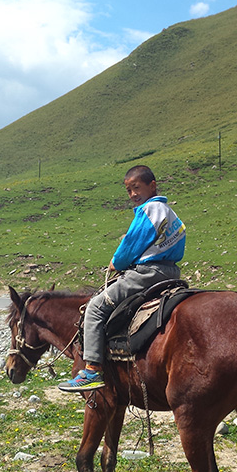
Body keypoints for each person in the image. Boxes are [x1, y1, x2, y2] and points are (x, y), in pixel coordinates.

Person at [58, 165, 186, 392]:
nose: (133, 194)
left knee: (96, 307)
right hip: (171, 272)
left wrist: (116, 263)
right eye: (129, 191)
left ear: (152, 186)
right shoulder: (169, 212)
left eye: (137, 188)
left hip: (148, 272)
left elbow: (132, 244)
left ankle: (92, 370)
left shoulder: (150, 210)